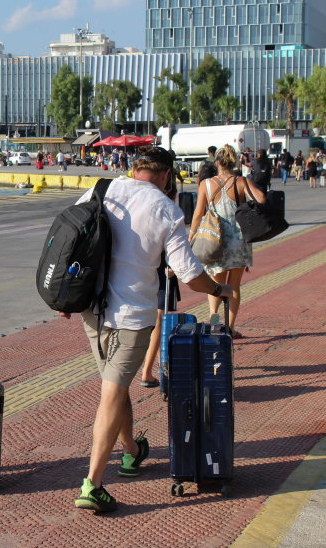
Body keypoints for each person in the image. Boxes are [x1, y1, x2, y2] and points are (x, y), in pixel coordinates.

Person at [64, 146, 232, 513]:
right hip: (132, 318)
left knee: (115, 384)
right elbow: (189, 275)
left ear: (135, 168)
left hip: (92, 311)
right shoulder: (167, 211)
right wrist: (220, 290)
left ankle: (131, 452)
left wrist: (65, 296)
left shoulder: (103, 189)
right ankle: (92, 484)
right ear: (167, 176)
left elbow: (69, 238)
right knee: (112, 390)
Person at [190, 144, 265, 338]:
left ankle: (214, 320)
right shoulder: (240, 181)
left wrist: (192, 235)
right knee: (234, 286)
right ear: (233, 162)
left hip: (215, 240)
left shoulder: (205, 184)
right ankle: (230, 328)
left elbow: (198, 213)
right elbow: (261, 199)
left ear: (216, 162)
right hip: (239, 240)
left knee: (216, 284)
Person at [139, 173, 180, 388]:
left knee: (151, 320)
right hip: (164, 272)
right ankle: (148, 371)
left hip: (144, 270)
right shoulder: (170, 212)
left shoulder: (146, 208)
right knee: (158, 321)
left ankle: (148, 368)